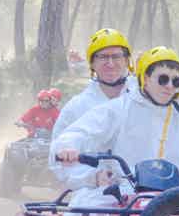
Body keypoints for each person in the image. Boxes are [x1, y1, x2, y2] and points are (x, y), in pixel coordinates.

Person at [51, 46, 179, 208]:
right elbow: (80, 132)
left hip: (171, 203)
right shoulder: (119, 108)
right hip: (118, 198)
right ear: (145, 78)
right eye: (163, 79)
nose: (169, 86)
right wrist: (69, 147)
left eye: (175, 81)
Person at [49, 28, 137, 188]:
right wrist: (91, 178)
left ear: (127, 61)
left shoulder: (145, 99)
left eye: (116, 56)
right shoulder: (76, 107)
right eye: (103, 57)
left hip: (145, 194)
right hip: (93, 198)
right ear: (92, 63)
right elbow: (57, 160)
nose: (110, 63)